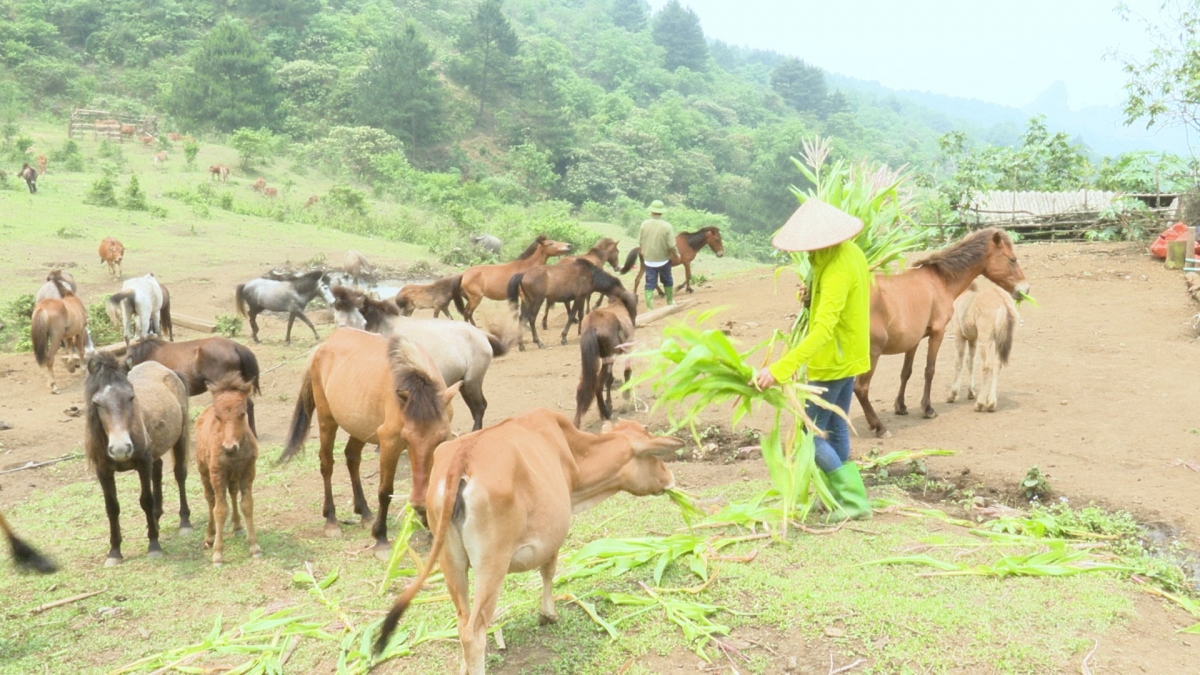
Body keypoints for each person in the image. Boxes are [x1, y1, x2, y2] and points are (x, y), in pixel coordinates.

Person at [752, 199, 873, 521]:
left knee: (808, 436)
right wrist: (810, 297)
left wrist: (780, 369)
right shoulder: (849, 254)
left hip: (831, 360)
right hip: (850, 356)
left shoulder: (834, 269)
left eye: (810, 246)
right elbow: (848, 299)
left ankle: (853, 503)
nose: (806, 252)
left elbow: (822, 330)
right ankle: (839, 499)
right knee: (835, 427)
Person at [638, 200, 679, 309]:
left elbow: (640, 241)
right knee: (668, 280)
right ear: (661, 212)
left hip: (648, 260)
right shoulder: (667, 226)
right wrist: (677, 254)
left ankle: (649, 307)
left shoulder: (644, 224)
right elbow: (671, 245)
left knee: (650, 282)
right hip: (663, 260)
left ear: (651, 211)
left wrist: (644, 251)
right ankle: (670, 301)